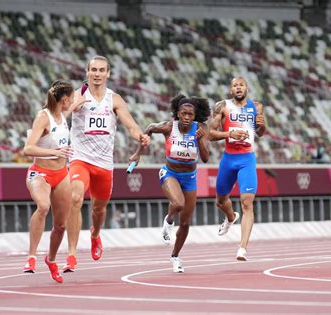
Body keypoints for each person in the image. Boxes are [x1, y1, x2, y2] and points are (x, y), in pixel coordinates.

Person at [64, 55, 150, 272]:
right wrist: (73, 106)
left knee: (99, 210)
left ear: (108, 74)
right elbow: (57, 117)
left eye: (102, 70)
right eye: (93, 70)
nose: (97, 74)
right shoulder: (76, 95)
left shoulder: (115, 99)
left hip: (104, 164)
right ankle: (72, 254)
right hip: (80, 159)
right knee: (75, 198)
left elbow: (130, 126)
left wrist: (140, 136)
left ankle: (95, 235)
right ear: (86, 72)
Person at [129, 94, 210, 273]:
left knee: (187, 222)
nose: (187, 117)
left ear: (195, 115)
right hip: (170, 173)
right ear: (178, 114)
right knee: (178, 204)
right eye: (184, 114)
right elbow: (149, 128)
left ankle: (175, 256)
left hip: (189, 177)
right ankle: (169, 220)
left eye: (191, 114)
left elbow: (205, 158)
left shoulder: (201, 128)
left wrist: (198, 140)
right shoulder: (168, 127)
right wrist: (138, 153)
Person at [22, 80, 88, 283]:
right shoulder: (44, 117)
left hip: (61, 175)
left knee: (60, 225)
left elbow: (79, 99)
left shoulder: (62, 115)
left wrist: (89, 87)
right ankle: (31, 257)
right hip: (40, 173)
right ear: (64, 99)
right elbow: (28, 149)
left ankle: (51, 260)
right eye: (71, 98)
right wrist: (55, 152)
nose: (73, 101)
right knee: (43, 206)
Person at [209, 76, 266, 261]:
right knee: (220, 200)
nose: (238, 87)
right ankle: (230, 216)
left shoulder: (256, 107)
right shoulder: (221, 106)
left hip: (247, 159)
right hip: (228, 159)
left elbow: (260, 132)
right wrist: (229, 133)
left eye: (241, 85)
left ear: (247, 88)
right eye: (235, 85)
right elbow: (210, 133)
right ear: (230, 89)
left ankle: (242, 248)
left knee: (247, 202)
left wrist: (262, 126)